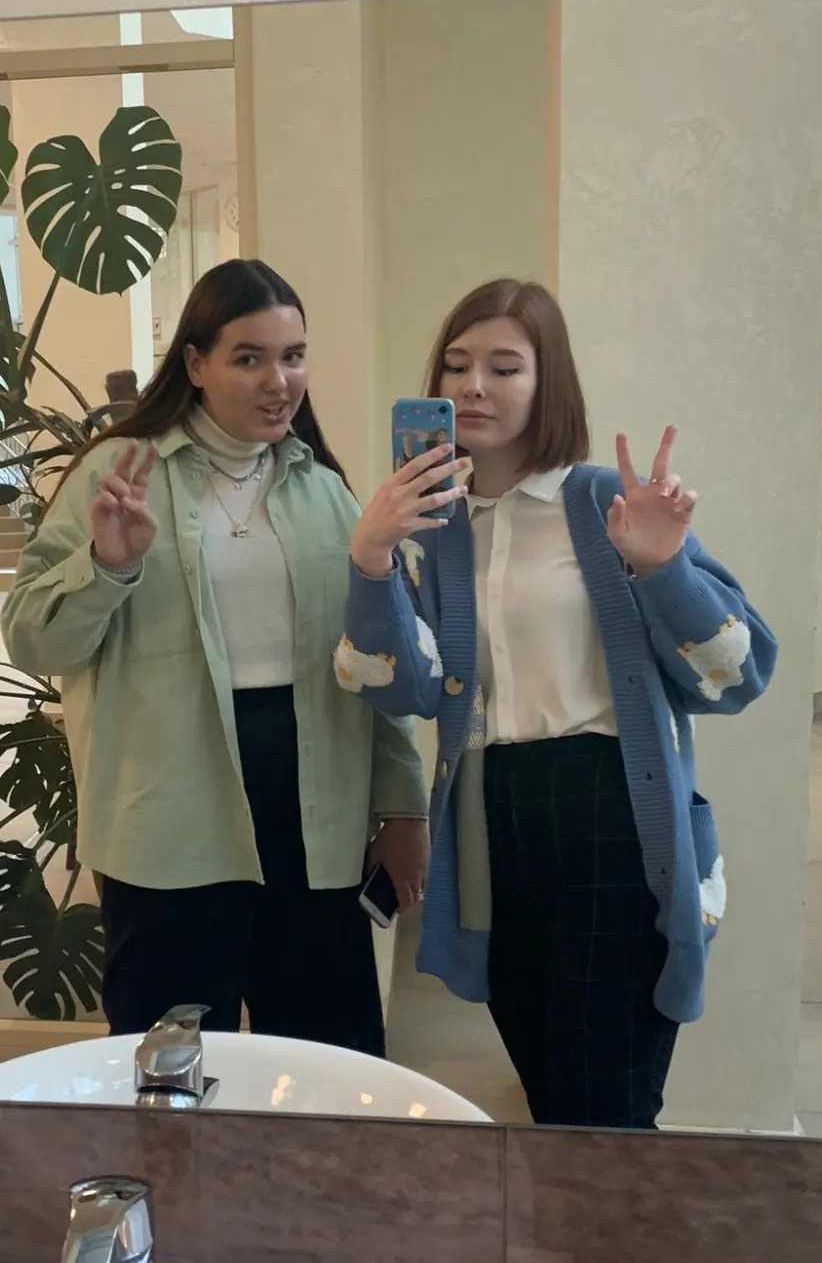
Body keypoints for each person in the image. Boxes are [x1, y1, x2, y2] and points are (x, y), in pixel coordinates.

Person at [334, 277, 777, 1127]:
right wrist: (372, 558)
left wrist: (661, 566)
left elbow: (739, 672)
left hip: (608, 812)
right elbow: (393, 686)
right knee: (551, 1092)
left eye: (505, 368)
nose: (474, 386)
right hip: (491, 820)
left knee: (598, 1106)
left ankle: (616, 1209)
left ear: (549, 384)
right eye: (457, 365)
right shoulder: (437, 528)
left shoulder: (607, 505)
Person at [2, 258, 429, 1052]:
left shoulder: (325, 491)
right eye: (249, 358)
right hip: (171, 818)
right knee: (171, 1065)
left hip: (317, 812)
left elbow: (371, 657)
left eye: (293, 356)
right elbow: (33, 637)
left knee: (325, 1061)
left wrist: (402, 804)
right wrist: (107, 565)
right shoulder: (118, 473)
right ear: (195, 364)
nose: (278, 381)